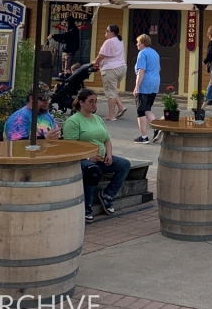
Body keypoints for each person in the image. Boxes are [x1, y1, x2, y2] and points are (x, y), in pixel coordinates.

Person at [62, 87, 131, 222]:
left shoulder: (98, 119)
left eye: (96, 101)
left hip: (101, 157)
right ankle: (87, 206)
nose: (94, 104)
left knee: (124, 164)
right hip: (82, 160)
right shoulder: (73, 121)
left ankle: (107, 195)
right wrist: (88, 158)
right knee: (92, 170)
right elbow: (70, 147)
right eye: (91, 101)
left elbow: (107, 140)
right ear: (81, 103)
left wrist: (109, 155)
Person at [94, 24, 128, 120]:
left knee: (110, 92)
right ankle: (121, 106)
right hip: (121, 67)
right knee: (112, 89)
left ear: (112, 33)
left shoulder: (109, 41)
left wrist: (95, 62)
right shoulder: (119, 40)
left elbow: (101, 55)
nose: (105, 32)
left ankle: (111, 115)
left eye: (107, 30)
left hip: (111, 69)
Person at [132, 34, 161, 143]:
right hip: (155, 82)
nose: (137, 44)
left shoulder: (142, 53)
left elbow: (141, 71)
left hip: (145, 83)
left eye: (138, 42)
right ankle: (157, 127)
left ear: (143, 43)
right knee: (147, 108)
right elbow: (158, 69)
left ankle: (144, 137)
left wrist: (136, 86)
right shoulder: (155, 53)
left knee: (140, 110)